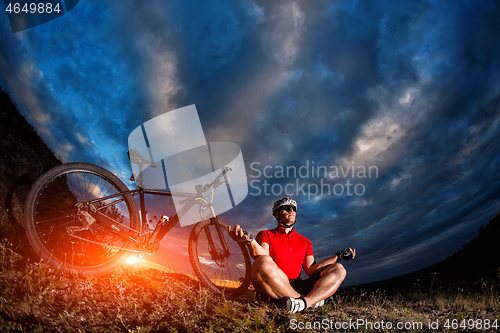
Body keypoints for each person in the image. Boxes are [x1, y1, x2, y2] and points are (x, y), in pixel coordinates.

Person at [228, 197, 355, 314]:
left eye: (293, 208)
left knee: (339, 268)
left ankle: (303, 303)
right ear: (276, 214)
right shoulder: (266, 234)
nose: (291, 210)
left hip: (297, 285)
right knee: (262, 262)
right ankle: (310, 302)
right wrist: (250, 242)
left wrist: (338, 256)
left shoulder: (305, 241)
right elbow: (261, 256)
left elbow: (311, 270)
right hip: (276, 282)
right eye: (286, 207)